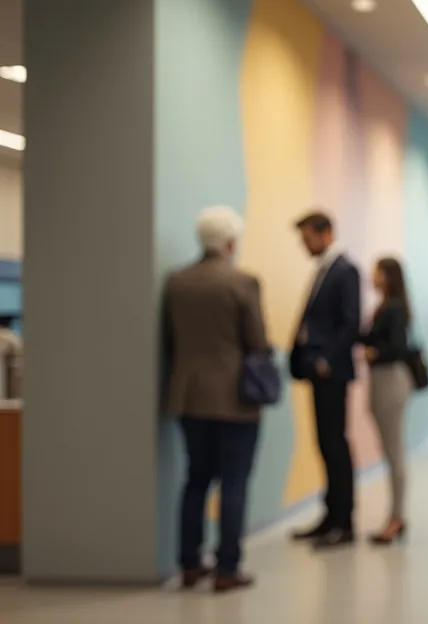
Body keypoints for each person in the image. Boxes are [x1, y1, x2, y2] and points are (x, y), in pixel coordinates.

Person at [163, 206, 269, 592]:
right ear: (229, 242)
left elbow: (172, 340)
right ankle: (227, 567)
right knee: (234, 483)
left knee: (195, 480)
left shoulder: (176, 282)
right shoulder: (242, 283)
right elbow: (256, 342)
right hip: (235, 400)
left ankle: (189, 563)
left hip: (189, 397)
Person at [289, 211, 361, 549]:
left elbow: (350, 323)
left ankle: (343, 521)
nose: (304, 244)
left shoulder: (345, 271)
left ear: (326, 233)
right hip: (319, 372)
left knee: (335, 445)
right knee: (325, 444)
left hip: (331, 373)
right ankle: (330, 516)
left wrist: (324, 360)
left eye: (307, 237)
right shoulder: (324, 271)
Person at [359, 258, 414, 545]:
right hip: (382, 380)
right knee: (391, 450)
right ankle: (396, 515)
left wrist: (374, 352)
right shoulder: (387, 306)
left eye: (377, 271)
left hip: (390, 380)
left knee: (394, 451)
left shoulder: (393, 309)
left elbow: (397, 348)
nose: (373, 276)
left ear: (389, 276)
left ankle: (396, 516)